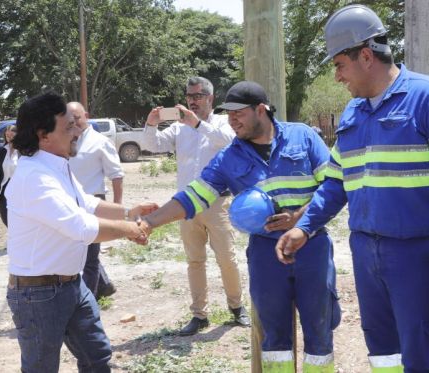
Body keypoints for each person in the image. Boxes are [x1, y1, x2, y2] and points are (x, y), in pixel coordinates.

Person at [275, 5, 429, 373]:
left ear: (366, 56)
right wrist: (303, 226)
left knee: (422, 347)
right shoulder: (355, 113)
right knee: (383, 349)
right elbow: (336, 182)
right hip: (366, 250)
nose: (338, 76)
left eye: (339, 65)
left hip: (416, 252)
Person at [136, 81, 341, 372]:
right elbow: (193, 197)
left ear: (261, 110)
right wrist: (149, 221)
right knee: (273, 337)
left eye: (238, 114)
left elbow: (333, 185)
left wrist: (301, 219)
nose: (232, 120)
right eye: (228, 115)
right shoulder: (228, 159)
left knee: (320, 333)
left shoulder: (303, 136)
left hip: (312, 246)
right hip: (266, 252)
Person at [5, 92, 156, 372]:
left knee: (96, 356)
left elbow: (87, 202)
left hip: (71, 285)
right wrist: (130, 230)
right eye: (68, 127)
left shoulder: (57, 165)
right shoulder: (34, 177)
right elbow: (81, 226)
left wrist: (128, 211)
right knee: (42, 368)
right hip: (38, 294)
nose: (77, 132)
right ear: (43, 135)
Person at [141, 76, 250, 336]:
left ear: (210, 99)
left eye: (198, 96)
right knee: (195, 261)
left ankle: (236, 307)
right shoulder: (179, 129)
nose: (192, 100)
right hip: (186, 205)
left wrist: (198, 124)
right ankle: (199, 314)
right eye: (190, 96)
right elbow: (151, 145)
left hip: (217, 203)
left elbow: (229, 142)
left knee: (226, 258)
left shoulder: (223, 122)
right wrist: (150, 124)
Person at [68, 101, 124, 298]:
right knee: (77, 249)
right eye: (69, 118)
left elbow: (116, 175)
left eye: (77, 118)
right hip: (69, 202)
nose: (73, 122)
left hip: (94, 202)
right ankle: (105, 285)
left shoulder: (99, 142)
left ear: (87, 116)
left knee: (89, 257)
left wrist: (117, 208)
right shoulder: (63, 141)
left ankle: (89, 302)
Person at [0, 124, 19, 226]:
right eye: (7, 136)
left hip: (18, 189)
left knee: (17, 216)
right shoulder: (2, 150)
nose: (9, 138)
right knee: (4, 215)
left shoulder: (23, 152)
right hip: (4, 187)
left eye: (11, 135)